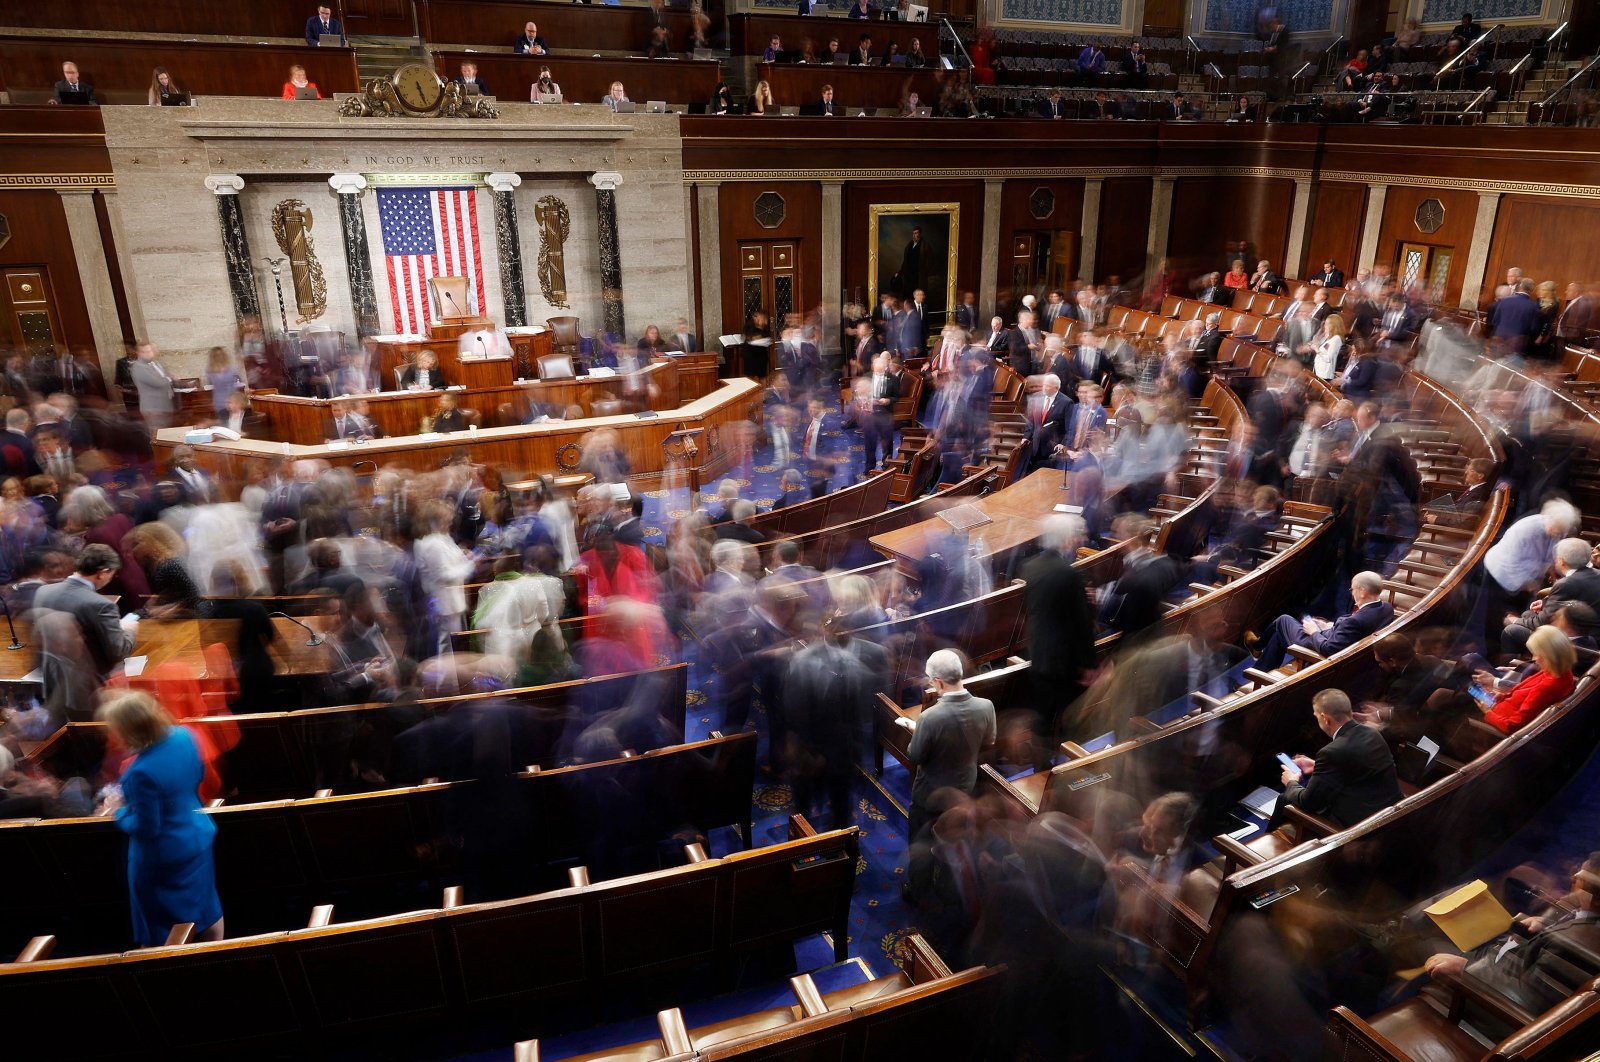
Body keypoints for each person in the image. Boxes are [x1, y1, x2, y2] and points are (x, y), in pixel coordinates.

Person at [96, 690, 225, 946]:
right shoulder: (185, 736)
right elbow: (196, 776)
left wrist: (118, 811)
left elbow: (147, 828)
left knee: (158, 923)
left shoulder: (139, 774)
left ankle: (167, 972)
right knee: (207, 905)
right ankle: (218, 952)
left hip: (163, 857)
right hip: (197, 835)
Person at [902, 649, 997, 854]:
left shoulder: (929, 718)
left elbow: (915, 756)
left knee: (921, 847)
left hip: (931, 796)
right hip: (965, 788)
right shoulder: (986, 706)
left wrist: (917, 732)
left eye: (930, 681)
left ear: (939, 682)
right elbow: (989, 742)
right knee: (956, 841)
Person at [34, 544, 136, 723]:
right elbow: (117, 650)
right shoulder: (101, 604)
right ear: (103, 572)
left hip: (53, 680)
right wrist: (128, 630)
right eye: (112, 574)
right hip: (91, 687)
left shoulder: (43, 592)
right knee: (97, 735)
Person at [1278, 688, 1401, 828]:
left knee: (1285, 798)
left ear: (1325, 718)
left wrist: (1291, 782)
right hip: (1389, 815)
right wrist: (1316, 765)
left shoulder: (1331, 752)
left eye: (1317, 716)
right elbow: (1358, 767)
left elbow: (1308, 803)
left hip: (1361, 828)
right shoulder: (1372, 733)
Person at [1022, 515, 1096, 739]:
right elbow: (1080, 624)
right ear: (1066, 538)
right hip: (1063, 661)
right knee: (1068, 719)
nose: (1079, 539)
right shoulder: (1069, 574)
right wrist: (1089, 665)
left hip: (1037, 652)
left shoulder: (1031, 566)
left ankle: (1039, 765)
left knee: (1042, 716)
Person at [1250, 570, 1395, 671]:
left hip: (1318, 648)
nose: (1352, 593)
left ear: (1363, 591)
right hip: (1332, 636)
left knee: (1283, 620)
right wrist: (1329, 626)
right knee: (1279, 635)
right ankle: (1260, 669)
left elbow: (1329, 649)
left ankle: (1257, 646)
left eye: (1353, 589)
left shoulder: (1356, 621)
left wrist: (1314, 632)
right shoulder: (1387, 608)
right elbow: (1351, 629)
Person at [1474, 626, 1578, 735]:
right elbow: (1525, 692)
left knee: (1463, 698)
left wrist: (1487, 712)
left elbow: (1512, 726)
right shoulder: (1559, 671)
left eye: (1537, 654)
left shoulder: (1547, 686)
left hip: (1495, 722)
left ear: (1550, 656)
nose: (1534, 658)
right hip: (1500, 705)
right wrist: (1501, 696)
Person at [128, 341, 176, 430]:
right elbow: (158, 382)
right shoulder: (138, 367)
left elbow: (165, 375)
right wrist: (169, 378)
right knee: (157, 435)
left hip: (164, 405)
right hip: (153, 408)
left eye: (149, 351)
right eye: (144, 352)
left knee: (166, 433)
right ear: (138, 353)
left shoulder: (156, 363)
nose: (148, 354)